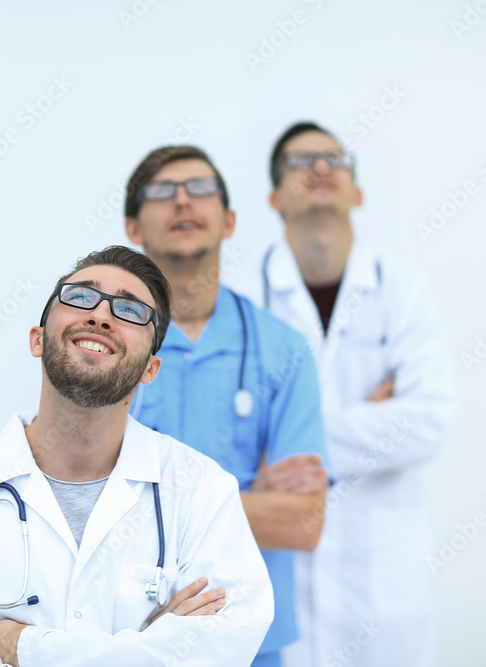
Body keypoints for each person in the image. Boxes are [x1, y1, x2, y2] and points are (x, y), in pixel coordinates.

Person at [0, 246, 273, 666]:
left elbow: (220, 651)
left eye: (131, 310)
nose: (100, 315)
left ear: (150, 369)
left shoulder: (202, 489)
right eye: (80, 296)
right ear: (37, 339)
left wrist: (23, 647)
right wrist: (150, 645)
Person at [248, 121, 453, 666]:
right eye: (299, 162)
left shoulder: (403, 289)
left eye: (332, 160)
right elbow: (229, 440)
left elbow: (429, 423)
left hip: (381, 577)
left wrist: (291, 441)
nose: (318, 168)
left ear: (357, 192)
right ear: (273, 197)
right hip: (276, 570)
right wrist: (370, 416)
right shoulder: (244, 300)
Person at [123, 145, 330, 667]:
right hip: (130, 631)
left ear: (230, 220)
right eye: (161, 192)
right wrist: (252, 497)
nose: (182, 201)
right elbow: (82, 506)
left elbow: (303, 521)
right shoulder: (108, 345)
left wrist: (145, 504)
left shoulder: (283, 351)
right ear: (133, 226)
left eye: (199, 189)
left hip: (252, 637)